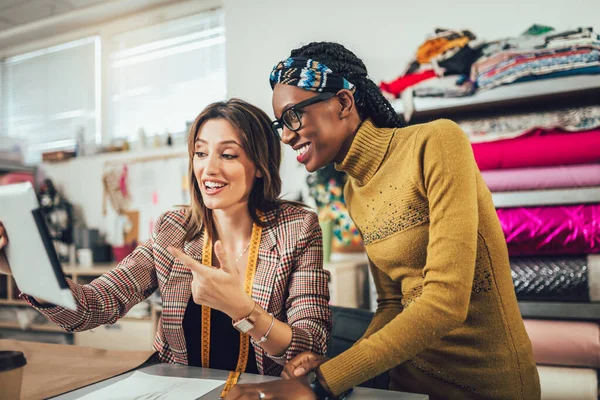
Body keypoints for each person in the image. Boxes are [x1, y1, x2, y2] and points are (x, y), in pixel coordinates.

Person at [224, 43, 540, 400]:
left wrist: (323, 381)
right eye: (280, 123)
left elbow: (446, 302)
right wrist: (330, 366)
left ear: (344, 103)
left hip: (485, 386)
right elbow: (392, 304)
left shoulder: (435, 142)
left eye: (294, 116)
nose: (285, 135)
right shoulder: (354, 191)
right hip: (406, 386)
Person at [0, 99, 331, 395]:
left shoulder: (296, 229)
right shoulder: (174, 228)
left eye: (227, 154)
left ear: (260, 166)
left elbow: (309, 341)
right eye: (200, 153)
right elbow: (98, 304)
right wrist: (24, 267)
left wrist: (244, 311)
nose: (208, 168)